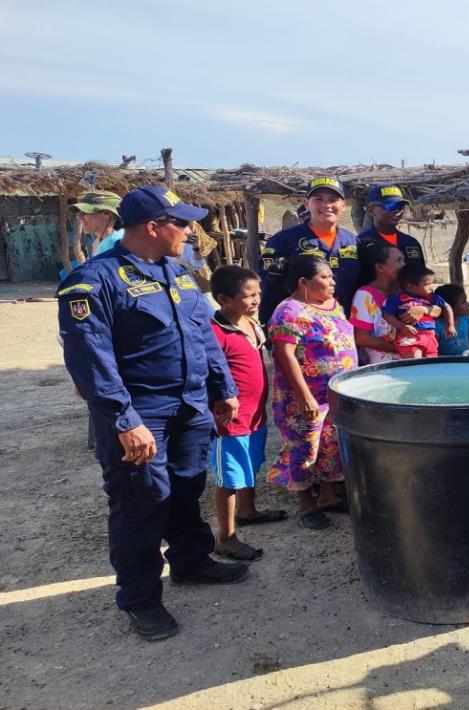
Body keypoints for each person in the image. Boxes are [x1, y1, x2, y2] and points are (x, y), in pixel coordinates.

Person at [57, 185, 244, 641]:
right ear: (153, 227)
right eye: (180, 222)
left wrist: (223, 388)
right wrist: (125, 421)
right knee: (140, 504)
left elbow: (203, 335)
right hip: (142, 414)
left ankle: (191, 561)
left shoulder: (178, 272)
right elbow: (90, 359)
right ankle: (141, 600)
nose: (188, 229)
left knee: (184, 489)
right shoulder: (93, 280)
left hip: (190, 407)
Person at [267, 255, 358, 530]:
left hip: (336, 394)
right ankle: (306, 504)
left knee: (330, 444)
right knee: (304, 447)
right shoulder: (289, 311)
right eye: (325, 278)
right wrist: (305, 396)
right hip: (304, 397)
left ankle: (329, 496)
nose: (332, 282)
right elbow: (285, 355)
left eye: (331, 276)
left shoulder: (333, 306)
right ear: (304, 282)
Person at [209, 266, 286, 562]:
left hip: (255, 414)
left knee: (249, 464)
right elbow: (209, 373)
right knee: (228, 477)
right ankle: (225, 538)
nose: (256, 300)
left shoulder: (251, 323)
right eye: (248, 295)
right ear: (224, 299)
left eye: (258, 294)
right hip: (230, 420)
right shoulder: (215, 333)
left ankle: (248, 511)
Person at [258, 177, 360, 323]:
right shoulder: (283, 241)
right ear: (307, 204)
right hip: (299, 330)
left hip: (343, 330)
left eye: (333, 199)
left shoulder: (353, 241)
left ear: (343, 205)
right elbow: (268, 286)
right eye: (319, 199)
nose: (326, 205)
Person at [381, 264, 456, 359]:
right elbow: (387, 314)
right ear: (411, 287)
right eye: (428, 284)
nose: (432, 287)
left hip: (430, 336)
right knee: (415, 360)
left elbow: (446, 307)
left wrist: (450, 324)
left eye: (432, 283)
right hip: (409, 336)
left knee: (431, 363)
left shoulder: (433, 298)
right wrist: (402, 326)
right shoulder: (397, 299)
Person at [357, 184, 426, 268]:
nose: (397, 210)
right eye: (390, 206)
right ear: (371, 210)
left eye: (401, 206)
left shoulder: (411, 243)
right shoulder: (360, 244)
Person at [71, 190, 124, 261]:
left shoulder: (114, 243)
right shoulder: (103, 241)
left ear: (106, 213)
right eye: (79, 213)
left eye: (84, 212)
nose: (79, 217)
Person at [435, 283, 469, 355]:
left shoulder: (465, 320)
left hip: (467, 361)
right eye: (463, 302)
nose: (467, 304)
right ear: (449, 307)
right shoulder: (437, 327)